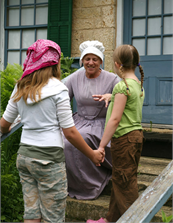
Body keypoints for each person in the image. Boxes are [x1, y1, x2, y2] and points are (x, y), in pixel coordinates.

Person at [0, 39, 103, 223]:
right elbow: (69, 132)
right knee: (53, 217)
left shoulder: (21, 86)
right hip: (49, 159)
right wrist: (92, 155)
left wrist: (6, 128)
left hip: (25, 157)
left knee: (31, 213)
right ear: (54, 63)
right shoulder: (58, 89)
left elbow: (4, 124)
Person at [87, 44, 145, 223]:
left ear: (118, 64)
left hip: (124, 140)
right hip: (135, 137)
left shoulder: (122, 86)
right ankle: (111, 219)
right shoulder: (137, 84)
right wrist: (110, 97)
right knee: (121, 180)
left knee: (126, 185)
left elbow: (114, 120)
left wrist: (102, 145)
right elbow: (128, 101)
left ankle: (135, 220)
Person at [63, 40, 120, 200]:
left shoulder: (112, 79)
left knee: (74, 142)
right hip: (79, 120)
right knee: (60, 140)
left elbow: (131, 93)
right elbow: (61, 99)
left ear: (101, 61)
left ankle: (90, 183)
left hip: (100, 123)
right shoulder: (74, 78)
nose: (90, 62)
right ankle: (70, 183)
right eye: (87, 59)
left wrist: (112, 96)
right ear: (82, 60)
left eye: (95, 59)